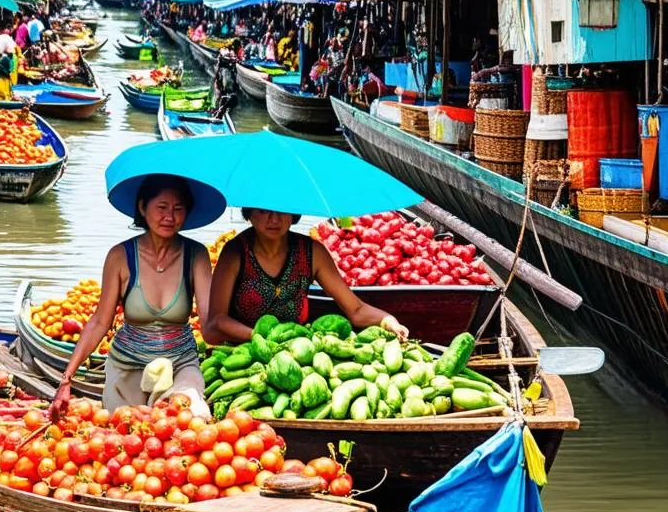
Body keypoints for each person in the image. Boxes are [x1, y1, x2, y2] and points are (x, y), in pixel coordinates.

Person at [49, 176, 214, 420]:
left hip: (180, 363)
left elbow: (210, 319)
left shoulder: (196, 255)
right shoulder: (120, 256)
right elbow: (99, 322)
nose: (170, 216)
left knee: (193, 418)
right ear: (142, 207)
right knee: (127, 433)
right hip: (128, 366)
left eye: (178, 209)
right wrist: (67, 379)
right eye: (161, 207)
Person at [204, 208, 409, 344]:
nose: (274, 219)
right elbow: (217, 320)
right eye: (264, 211)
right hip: (242, 353)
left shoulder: (311, 252)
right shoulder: (235, 252)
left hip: (297, 353)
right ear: (249, 213)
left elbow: (355, 308)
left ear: (293, 215)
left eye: (282, 211)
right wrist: (260, 339)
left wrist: (388, 321)